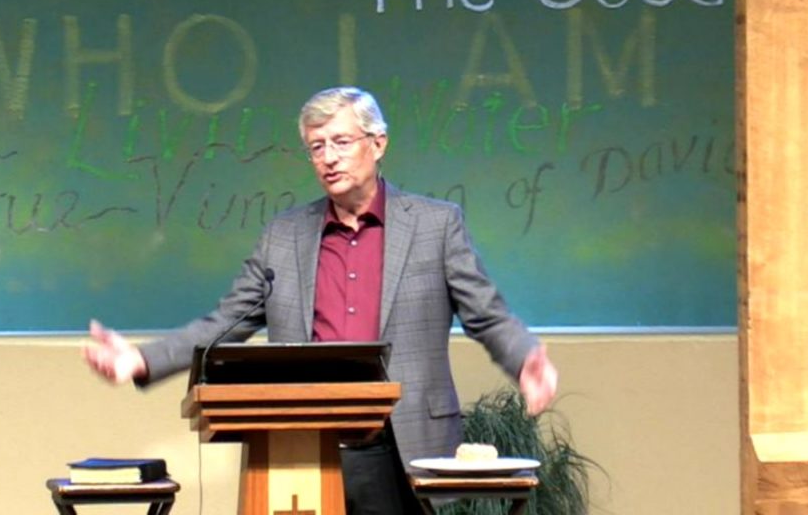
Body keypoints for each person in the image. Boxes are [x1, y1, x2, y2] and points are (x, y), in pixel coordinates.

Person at [83, 86, 558, 515]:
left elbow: (486, 314)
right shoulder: (284, 236)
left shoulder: (435, 226)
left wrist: (524, 359)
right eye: (316, 147)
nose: (328, 158)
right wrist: (142, 360)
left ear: (378, 144)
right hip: (305, 444)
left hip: (405, 440)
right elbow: (226, 321)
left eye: (341, 142)